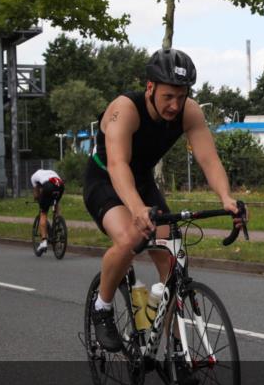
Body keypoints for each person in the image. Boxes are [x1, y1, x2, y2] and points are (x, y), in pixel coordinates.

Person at [83, 48, 243, 355]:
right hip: (105, 179)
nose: (175, 105)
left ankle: (174, 347)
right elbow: (118, 165)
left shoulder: (190, 111)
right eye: (168, 96)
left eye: (181, 97)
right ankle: (102, 306)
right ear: (150, 87)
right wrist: (136, 209)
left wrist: (226, 198)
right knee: (132, 236)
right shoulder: (125, 109)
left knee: (173, 258)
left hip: (142, 182)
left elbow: (208, 159)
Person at [31, 168, 64, 256]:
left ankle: (44, 241)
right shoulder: (51, 172)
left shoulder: (34, 177)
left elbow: (36, 193)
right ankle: (58, 223)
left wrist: (38, 199)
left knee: (43, 213)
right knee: (56, 203)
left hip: (48, 186)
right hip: (60, 186)